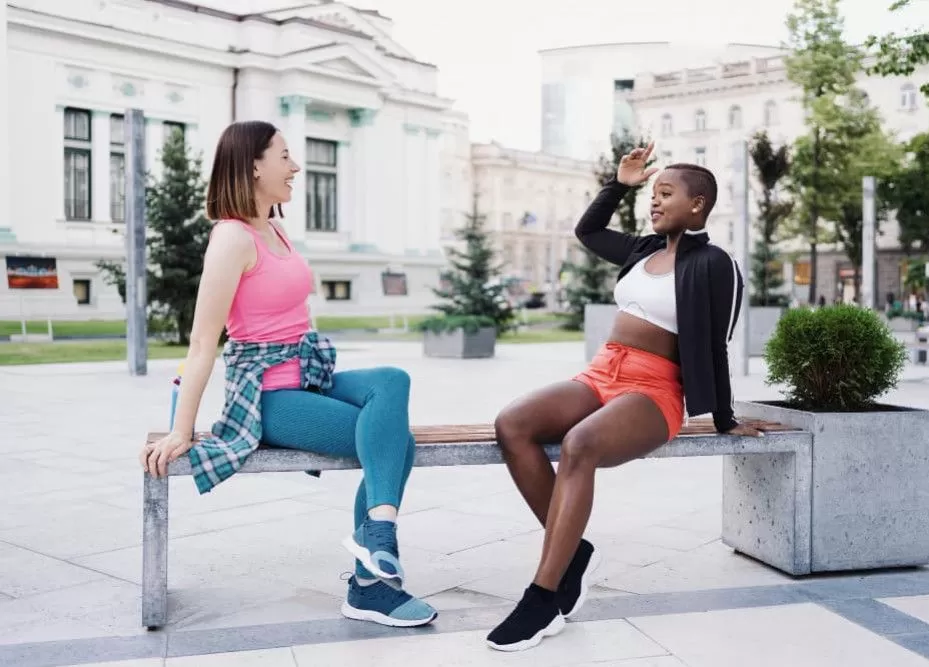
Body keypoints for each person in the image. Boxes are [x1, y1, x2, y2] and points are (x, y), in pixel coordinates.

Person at [139, 120, 437, 628]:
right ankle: (372, 581)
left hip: (306, 377)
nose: (295, 166)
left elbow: (291, 313)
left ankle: (376, 543)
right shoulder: (231, 239)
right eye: (285, 156)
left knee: (393, 381)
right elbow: (203, 341)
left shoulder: (273, 228)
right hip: (269, 399)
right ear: (253, 165)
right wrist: (181, 430)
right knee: (394, 442)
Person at [485, 143, 762, 652]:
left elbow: (716, 342)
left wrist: (724, 418)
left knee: (580, 444)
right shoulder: (643, 250)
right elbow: (587, 231)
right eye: (652, 195)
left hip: (655, 388)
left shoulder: (716, 264)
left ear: (697, 204)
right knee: (513, 424)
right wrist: (619, 184)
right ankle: (573, 555)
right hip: (602, 372)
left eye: (665, 194)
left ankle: (543, 597)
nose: (653, 203)